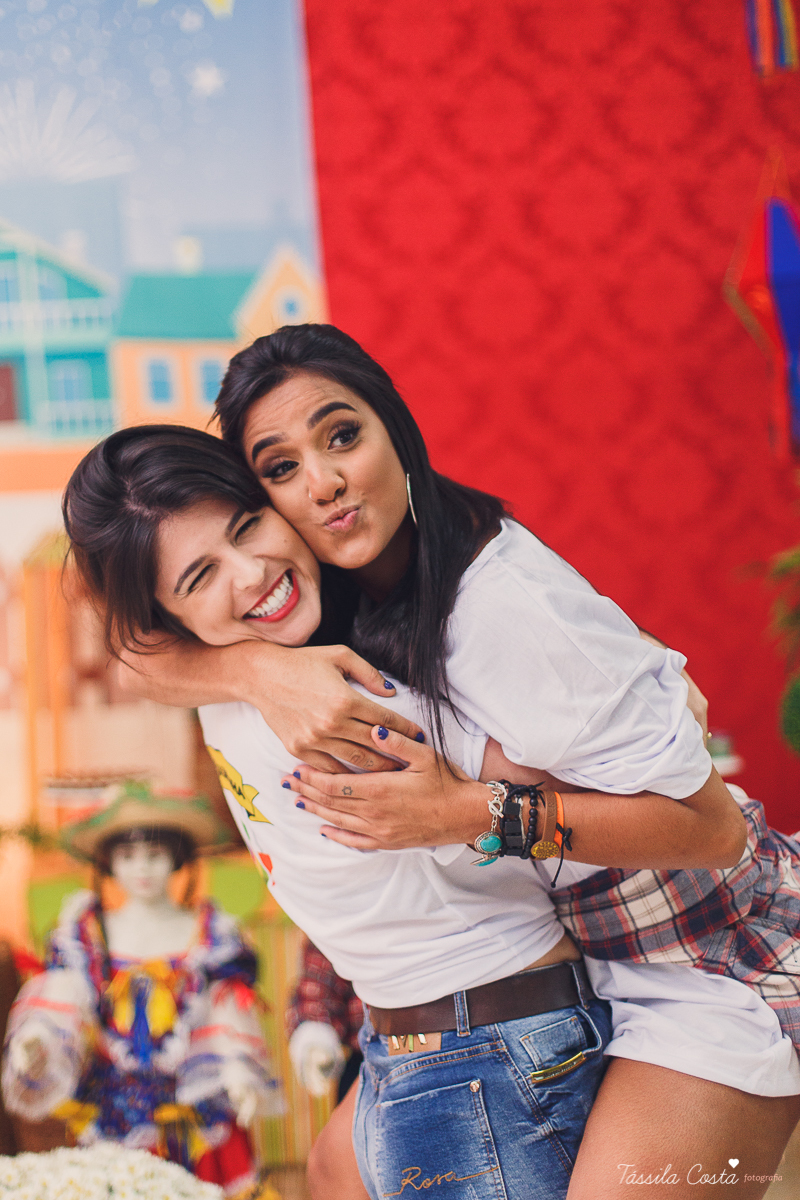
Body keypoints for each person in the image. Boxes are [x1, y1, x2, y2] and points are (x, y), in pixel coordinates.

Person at [62, 413, 800, 1200]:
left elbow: (646, 798)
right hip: (472, 1017)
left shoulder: (368, 667)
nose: (248, 574)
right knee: (331, 1171)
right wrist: (255, 671)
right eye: (199, 577)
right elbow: (127, 646)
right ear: (164, 618)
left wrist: (644, 690)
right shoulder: (284, 673)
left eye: (248, 527)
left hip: (648, 966)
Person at [2, 782, 283, 1196]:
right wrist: (38, 1038)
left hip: (196, 1107)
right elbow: (61, 998)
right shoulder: (86, 936)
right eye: (128, 856)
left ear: (177, 859)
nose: (142, 868)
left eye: (155, 855)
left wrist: (236, 1067)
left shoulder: (211, 936)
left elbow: (227, 1007)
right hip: (114, 1111)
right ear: (109, 864)